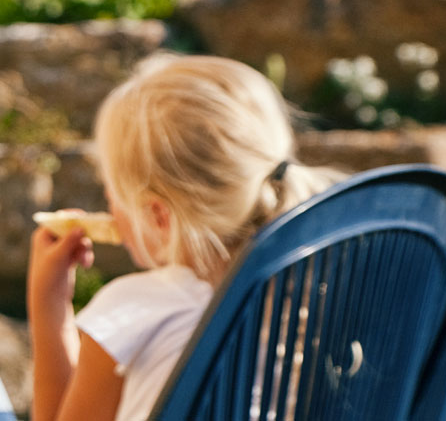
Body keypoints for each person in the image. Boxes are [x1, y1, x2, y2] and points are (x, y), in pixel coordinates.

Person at [27, 56, 343, 421]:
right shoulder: (321, 295)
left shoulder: (137, 310)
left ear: (158, 216)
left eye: (110, 188)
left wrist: (48, 307)